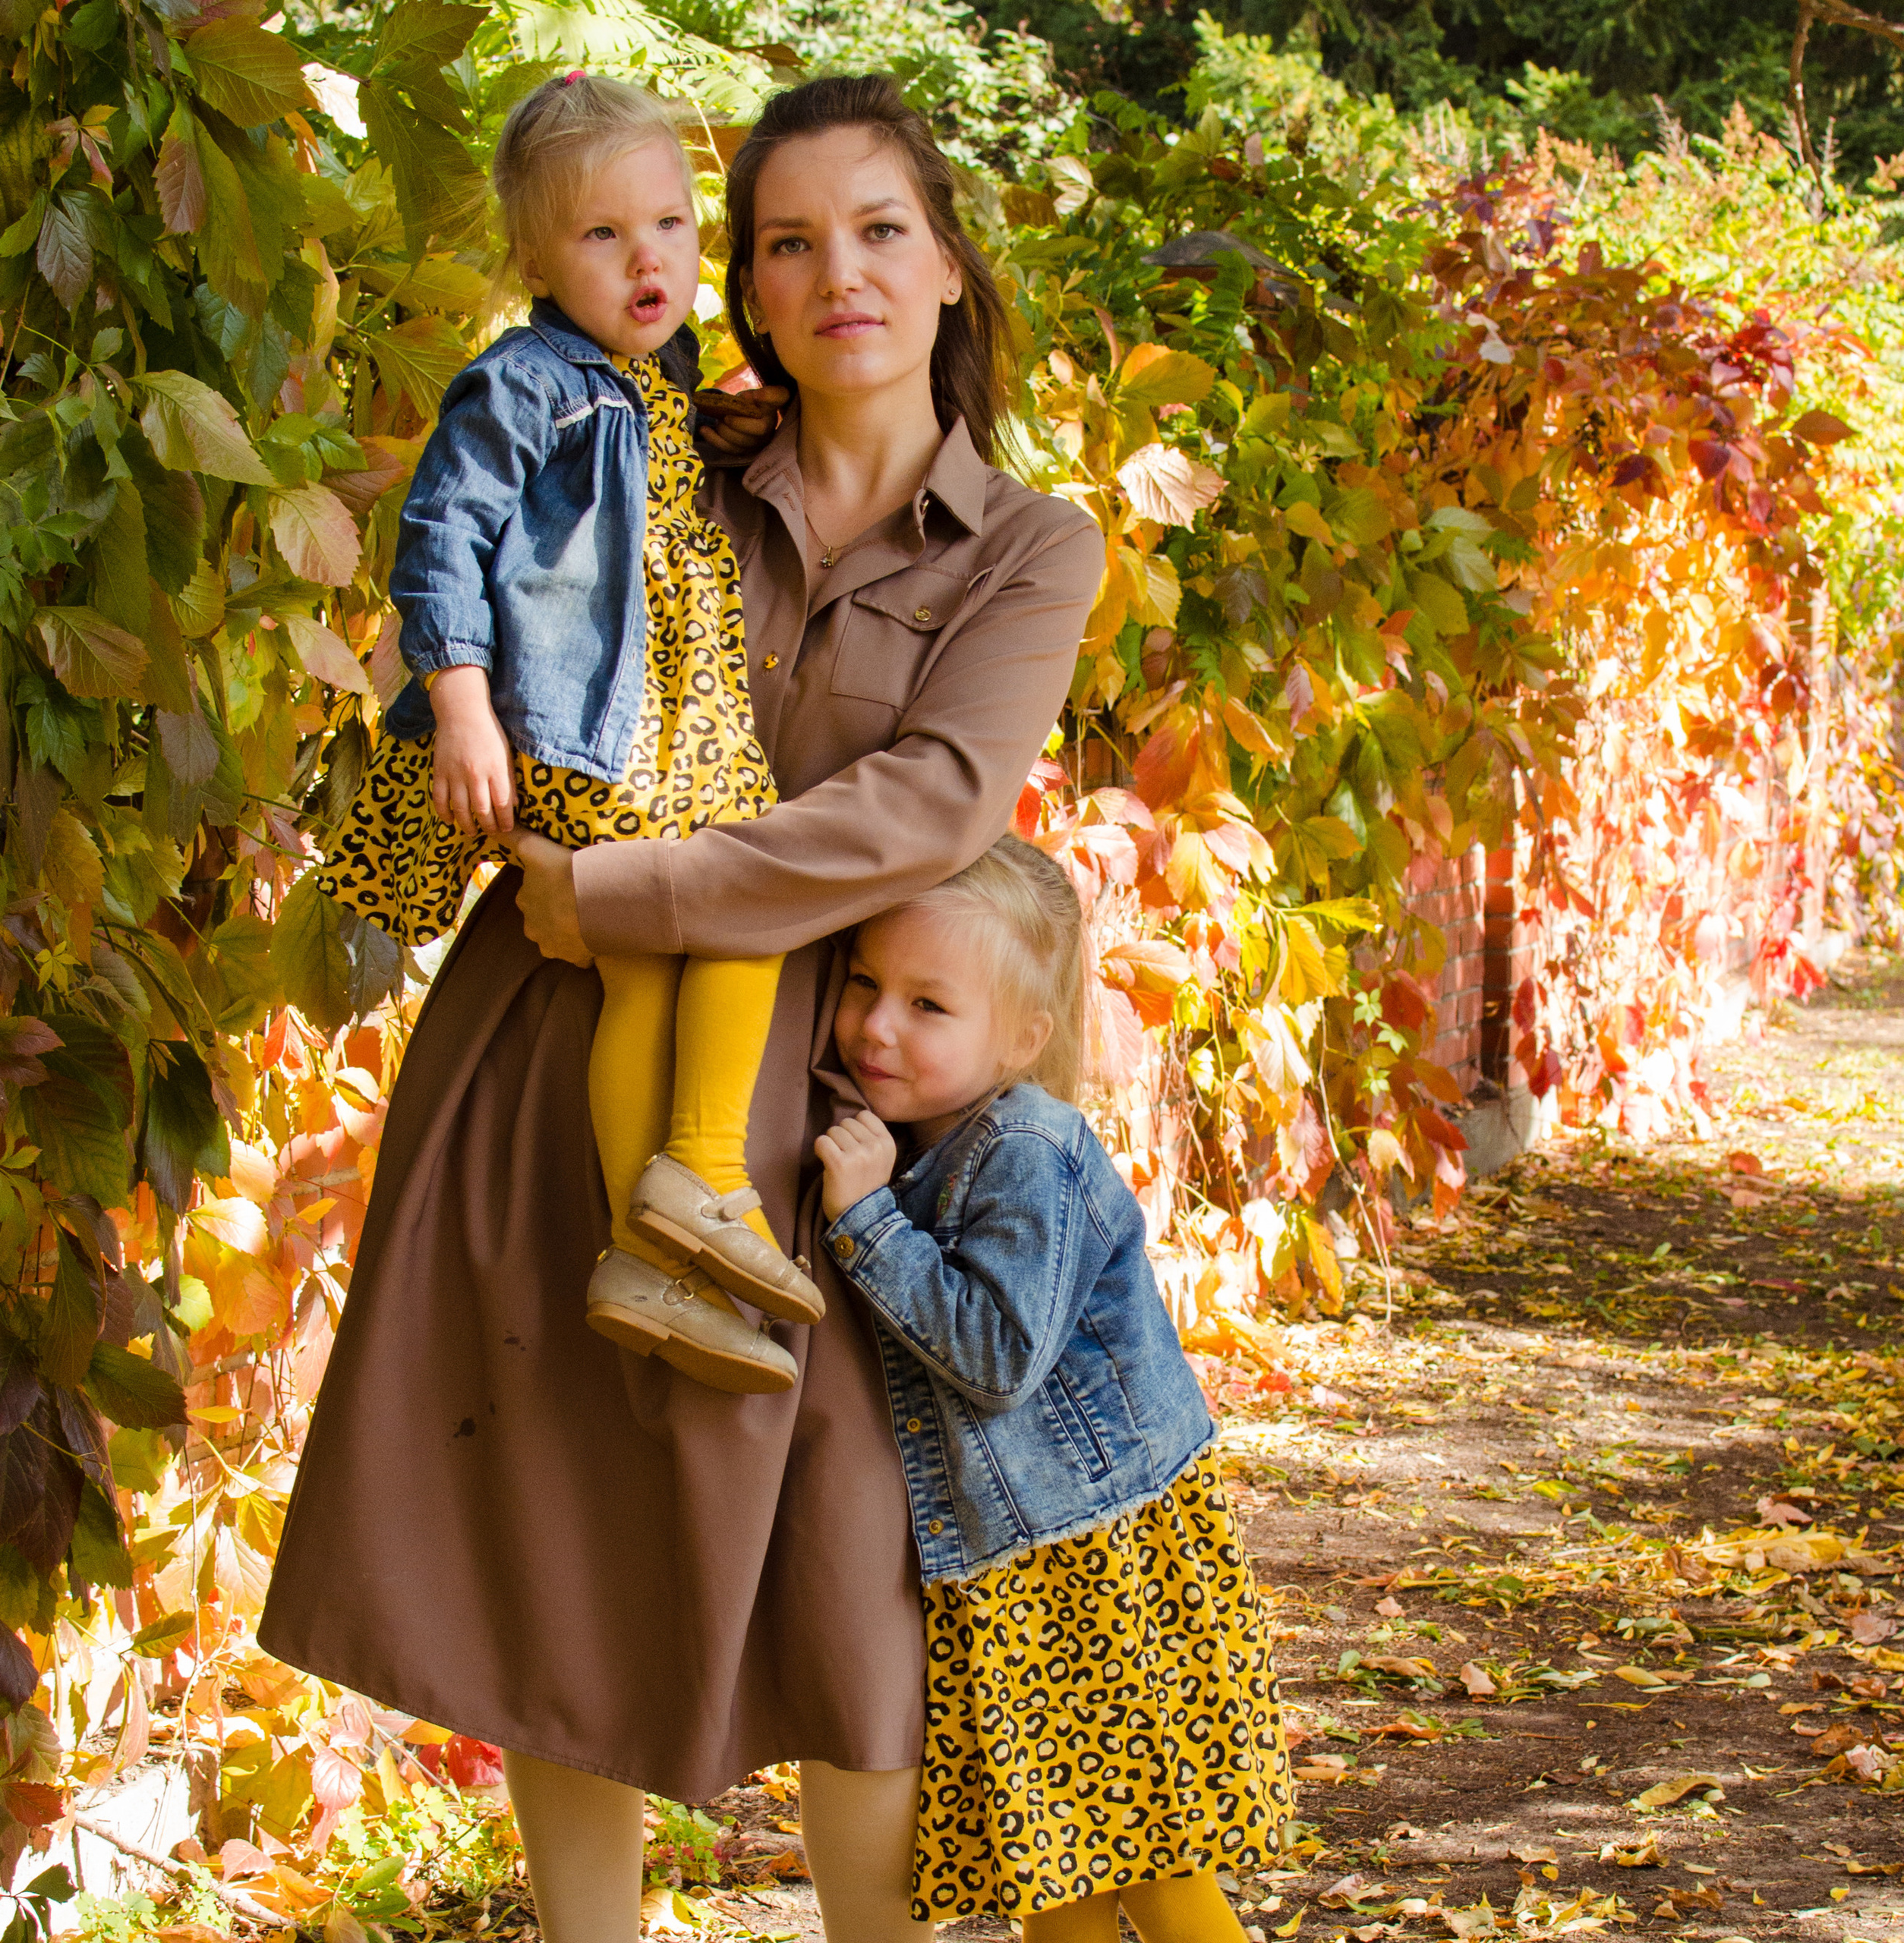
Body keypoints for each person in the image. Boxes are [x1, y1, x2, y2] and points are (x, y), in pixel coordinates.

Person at [260, 74, 1105, 1943]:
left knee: (848, 1572)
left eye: (878, 230)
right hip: (556, 1047)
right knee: (564, 1550)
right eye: (786, 242)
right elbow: (472, 619)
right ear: (746, 282)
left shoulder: (1027, 546)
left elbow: (927, 804)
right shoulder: (643, 439)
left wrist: (623, 881)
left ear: (949, 263)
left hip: (832, 1101)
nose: (836, 275)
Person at [315, 71, 818, 1391]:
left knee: (647, 964)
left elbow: (642, 489)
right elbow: (441, 539)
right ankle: (702, 1174)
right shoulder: (528, 381)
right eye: (602, 236)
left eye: (668, 224)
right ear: (537, 258)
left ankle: (639, 1252)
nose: (646, 257)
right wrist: (464, 707)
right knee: (744, 902)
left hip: (657, 730)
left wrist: (721, 425)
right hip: (592, 730)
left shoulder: (649, 379)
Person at [813, 836, 1294, 1941]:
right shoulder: (924, 1136)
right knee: (1061, 1871)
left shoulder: (1031, 1149)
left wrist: (868, 1223)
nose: (879, 1025)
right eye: (865, 985)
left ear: (1023, 1036)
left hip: (1093, 1561)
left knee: (1155, 1868)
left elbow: (996, 1356)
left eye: (930, 1006)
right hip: (1016, 1571)